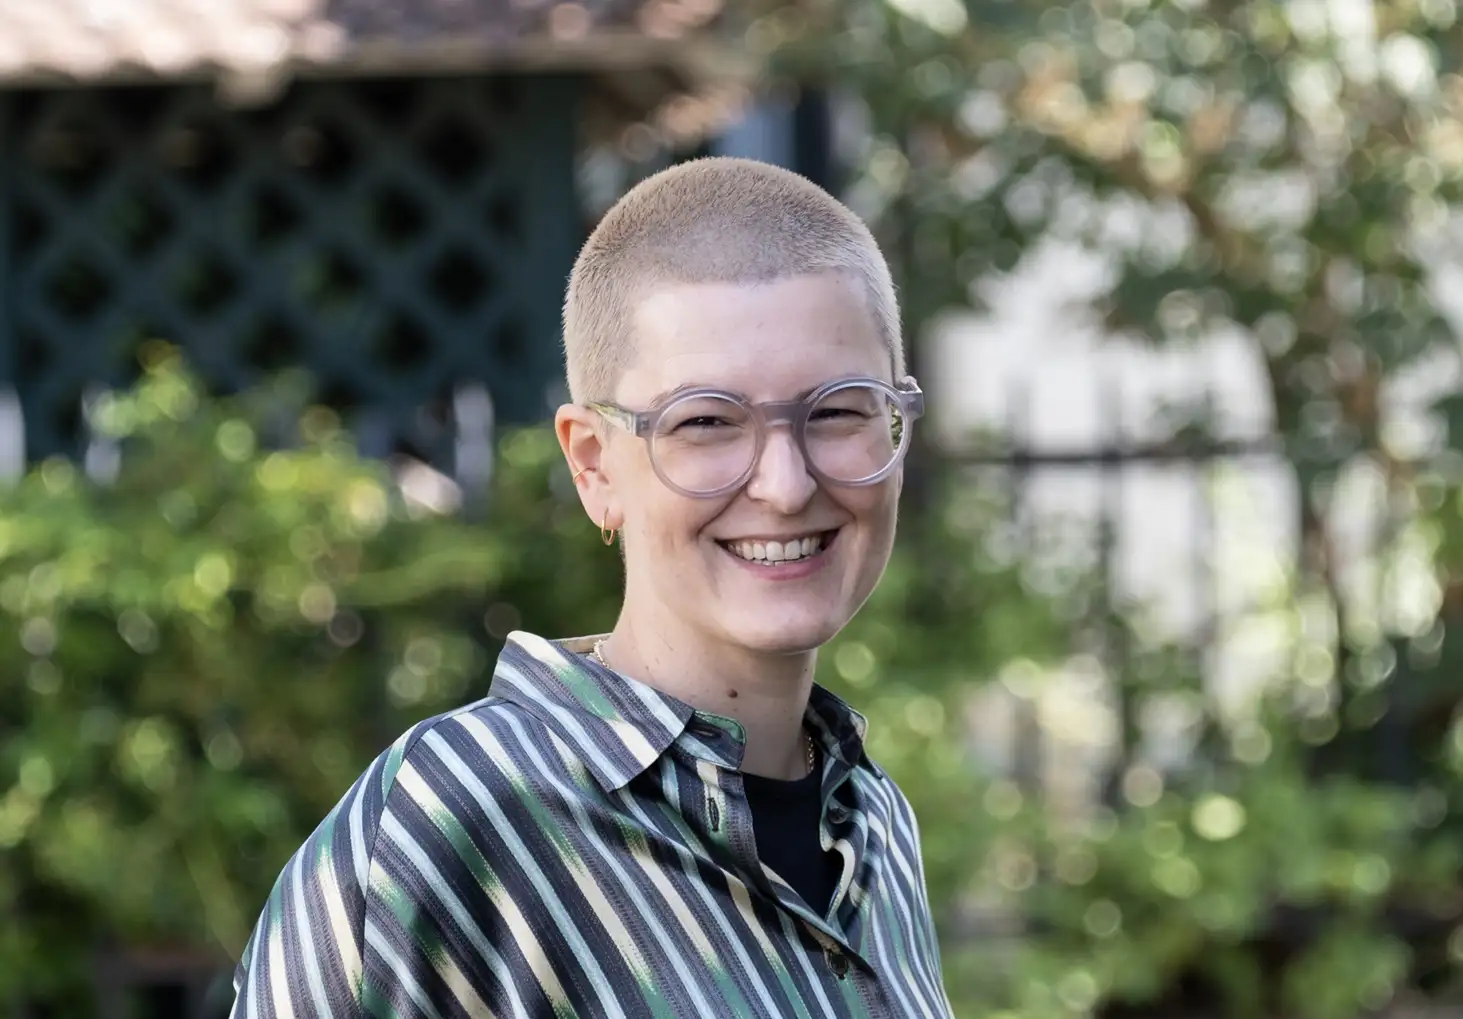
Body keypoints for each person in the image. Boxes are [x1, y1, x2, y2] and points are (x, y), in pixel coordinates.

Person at [228, 156, 953, 1018]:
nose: (786, 484)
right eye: (707, 422)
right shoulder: (447, 824)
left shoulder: (873, 824)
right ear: (594, 465)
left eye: (838, 408)